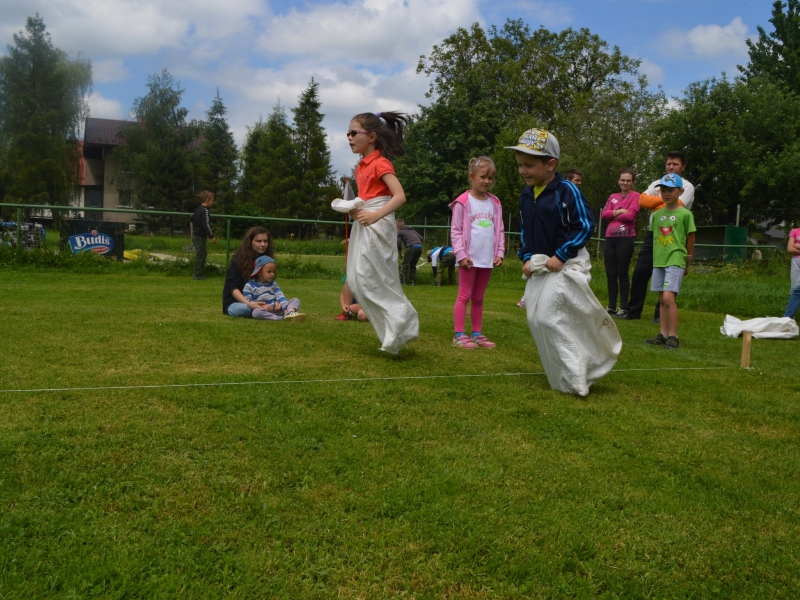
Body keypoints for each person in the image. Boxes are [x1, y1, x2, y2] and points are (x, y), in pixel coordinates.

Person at [509, 128, 620, 396]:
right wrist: (525, 256)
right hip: (541, 265)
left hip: (568, 263)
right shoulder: (527, 194)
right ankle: (562, 376)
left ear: (550, 165)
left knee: (550, 317)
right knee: (536, 318)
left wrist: (561, 254)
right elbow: (525, 231)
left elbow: (584, 226)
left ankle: (578, 375)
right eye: (520, 165)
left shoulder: (566, 190)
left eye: (529, 165)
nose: (523, 171)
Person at [330, 111, 419, 354]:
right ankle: (393, 328)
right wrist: (355, 209)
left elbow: (399, 196)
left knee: (374, 278)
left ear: (371, 136)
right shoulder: (360, 166)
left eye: (353, 133)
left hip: (378, 226)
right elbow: (368, 198)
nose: (348, 137)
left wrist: (373, 215)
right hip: (365, 224)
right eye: (347, 133)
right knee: (358, 279)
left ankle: (402, 319)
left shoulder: (380, 163)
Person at [619, 151, 695, 321]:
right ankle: (633, 311)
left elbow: (678, 204)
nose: (671, 166)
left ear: (683, 166)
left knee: (667, 274)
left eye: (675, 164)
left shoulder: (687, 186)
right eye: (669, 163)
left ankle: (660, 315)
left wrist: (657, 201)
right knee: (640, 272)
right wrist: (665, 200)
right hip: (653, 232)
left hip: (674, 235)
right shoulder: (656, 182)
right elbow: (642, 201)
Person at [449, 156, 505, 349]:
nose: (487, 181)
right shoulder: (462, 202)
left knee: (479, 297)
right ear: (471, 176)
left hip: (486, 259)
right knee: (464, 295)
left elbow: (500, 230)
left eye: (491, 177)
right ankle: (459, 335)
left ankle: (477, 334)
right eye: (483, 177)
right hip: (469, 259)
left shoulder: (495, 203)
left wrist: (499, 252)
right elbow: (456, 231)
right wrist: (461, 255)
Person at [644, 173, 696, 349]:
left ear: (680, 191)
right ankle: (663, 334)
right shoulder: (657, 215)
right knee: (661, 298)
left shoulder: (685, 214)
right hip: (659, 261)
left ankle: (674, 336)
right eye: (663, 190)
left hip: (676, 259)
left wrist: (687, 262)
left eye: (671, 190)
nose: (666, 193)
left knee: (668, 297)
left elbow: (690, 238)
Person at [600, 169, 640, 315]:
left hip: (626, 238)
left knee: (622, 273)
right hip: (610, 237)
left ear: (632, 182)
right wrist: (618, 212)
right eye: (623, 180)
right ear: (618, 181)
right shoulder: (613, 197)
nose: (625, 183)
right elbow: (604, 214)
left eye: (628, 180)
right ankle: (611, 306)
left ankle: (623, 306)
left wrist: (614, 215)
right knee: (610, 273)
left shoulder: (635, 196)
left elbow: (631, 216)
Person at [222, 226, 274, 317]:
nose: (263, 244)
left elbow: (270, 285)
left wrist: (276, 302)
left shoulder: (267, 260)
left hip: (261, 301)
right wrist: (249, 304)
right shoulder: (237, 260)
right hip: (238, 302)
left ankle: (263, 311)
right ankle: (263, 312)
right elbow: (232, 288)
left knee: (286, 303)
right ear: (250, 242)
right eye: (259, 241)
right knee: (244, 310)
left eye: (265, 241)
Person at [243, 255, 306, 321]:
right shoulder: (249, 285)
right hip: (263, 310)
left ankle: (289, 313)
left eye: (273, 271)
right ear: (259, 272)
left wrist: (284, 307)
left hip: (276, 310)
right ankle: (280, 318)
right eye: (269, 272)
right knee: (256, 313)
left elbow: (280, 295)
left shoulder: (273, 284)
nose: (272, 274)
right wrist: (261, 307)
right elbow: (248, 301)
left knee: (295, 300)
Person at [191, 190, 216, 280]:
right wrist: (211, 236)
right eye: (212, 201)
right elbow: (206, 225)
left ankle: (199, 272)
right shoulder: (205, 211)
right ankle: (197, 273)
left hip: (195, 234)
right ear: (207, 200)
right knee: (200, 254)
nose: (212, 203)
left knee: (203, 253)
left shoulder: (198, 209)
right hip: (199, 236)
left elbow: (192, 218)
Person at [396, 219, 423, 285]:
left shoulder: (400, 232)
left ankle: (402, 281)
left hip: (411, 247)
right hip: (419, 247)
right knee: (413, 265)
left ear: (398, 227)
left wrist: (399, 254)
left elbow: (398, 243)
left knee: (405, 264)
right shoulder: (413, 230)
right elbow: (421, 238)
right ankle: (412, 282)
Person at [783, 226, 800, 319]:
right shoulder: (795, 231)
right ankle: (790, 319)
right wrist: (794, 246)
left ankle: (787, 318)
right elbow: (790, 249)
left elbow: (794, 246)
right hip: (796, 263)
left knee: (798, 289)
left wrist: (797, 245)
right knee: (794, 289)